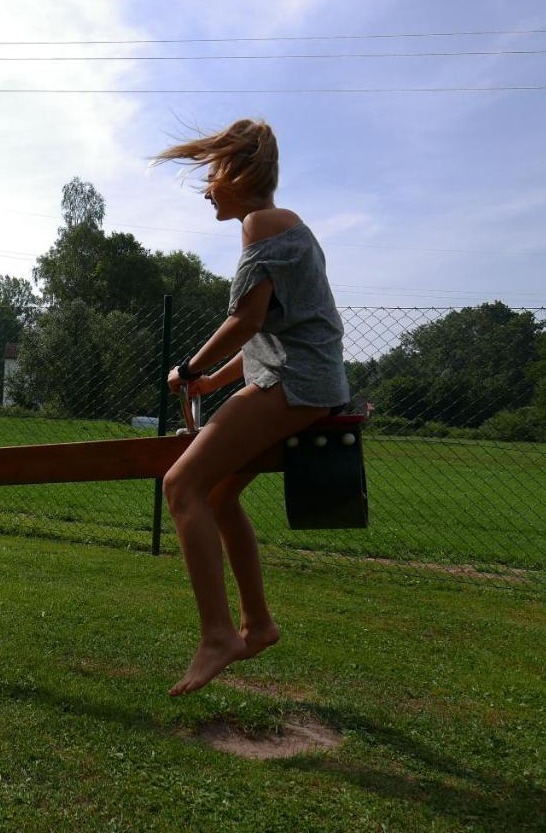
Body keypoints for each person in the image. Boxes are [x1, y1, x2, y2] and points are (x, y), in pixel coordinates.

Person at [155, 119, 349, 695]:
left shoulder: (262, 224)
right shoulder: (282, 227)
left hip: (296, 384)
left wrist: (188, 368)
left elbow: (247, 321)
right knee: (216, 495)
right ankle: (257, 624)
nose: (206, 190)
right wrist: (212, 379)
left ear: (237, 174)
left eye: (211, 177)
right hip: (298, 374)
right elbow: (277, 330)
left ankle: (218, 635)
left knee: (181, 486)